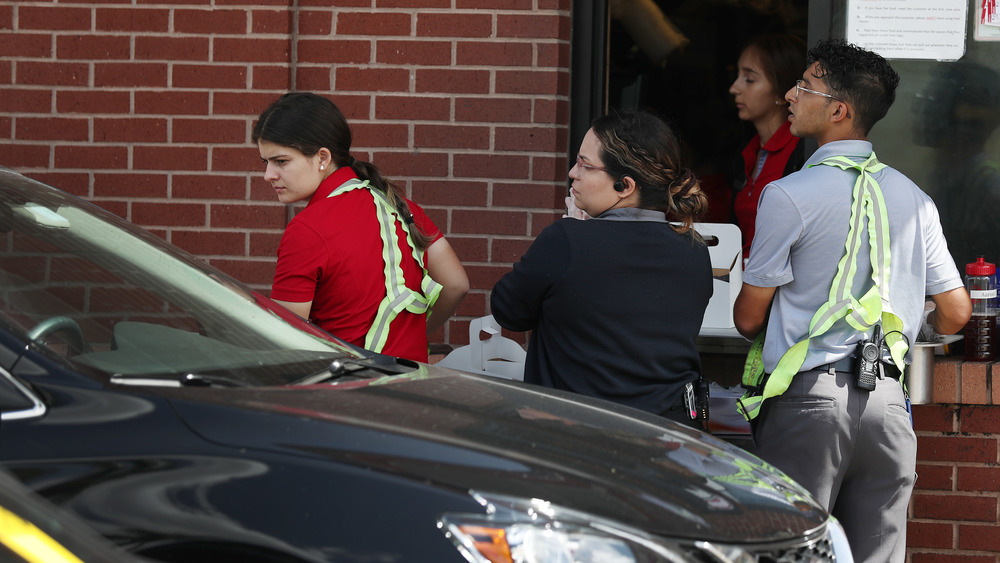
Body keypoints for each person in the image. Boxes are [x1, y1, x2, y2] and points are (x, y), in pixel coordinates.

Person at [733, 40, 972, 562]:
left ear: (839, 111)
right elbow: (956, 313)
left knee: (793, 550)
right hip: (888, 403)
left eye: (804, 86)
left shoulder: (788, 195)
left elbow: (749, 318)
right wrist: (903, 316)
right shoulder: (916, 198)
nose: (791, 95)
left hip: (809, 403)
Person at [491, 110, 713, 428]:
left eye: (585, 165)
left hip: (578, 436)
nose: (572, 173)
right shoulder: (694, 248)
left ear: (624, 185)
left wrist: (571, 234)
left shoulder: (566, 241)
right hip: (670, 436)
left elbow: (507, 310)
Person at [253, 92, 469, 363]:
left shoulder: (307, 230)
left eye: (281, 161)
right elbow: (457, 284)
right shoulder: (400, 206)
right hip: (414, 383)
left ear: (322, 157)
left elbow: (287, 339)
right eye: (266, 162)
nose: (268, 175)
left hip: (346, 392)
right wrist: (415, 335)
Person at [728, 33, 806, 261]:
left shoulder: (802, 154)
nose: (734, 88)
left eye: (749, 79)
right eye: (738, 75)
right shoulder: (747, 154)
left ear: (784, 92)